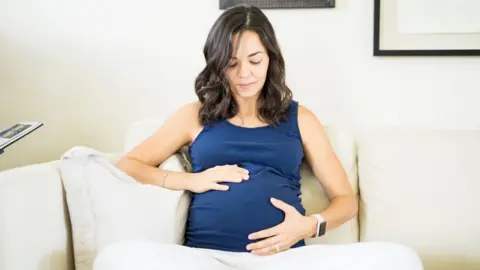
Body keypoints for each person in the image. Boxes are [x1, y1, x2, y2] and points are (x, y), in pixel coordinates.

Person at [95, 4, 423, 270]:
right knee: (114, 259)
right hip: (207, 258)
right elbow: (129, 165)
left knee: (401, 260)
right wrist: (191, 181)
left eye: (255, 60)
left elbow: (346, 201)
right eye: (232, 63)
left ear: (270, 59)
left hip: (286, 258)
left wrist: (310, 226)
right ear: (217, 64)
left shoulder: (300, 117)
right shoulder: (194, 115)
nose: (245, 74)